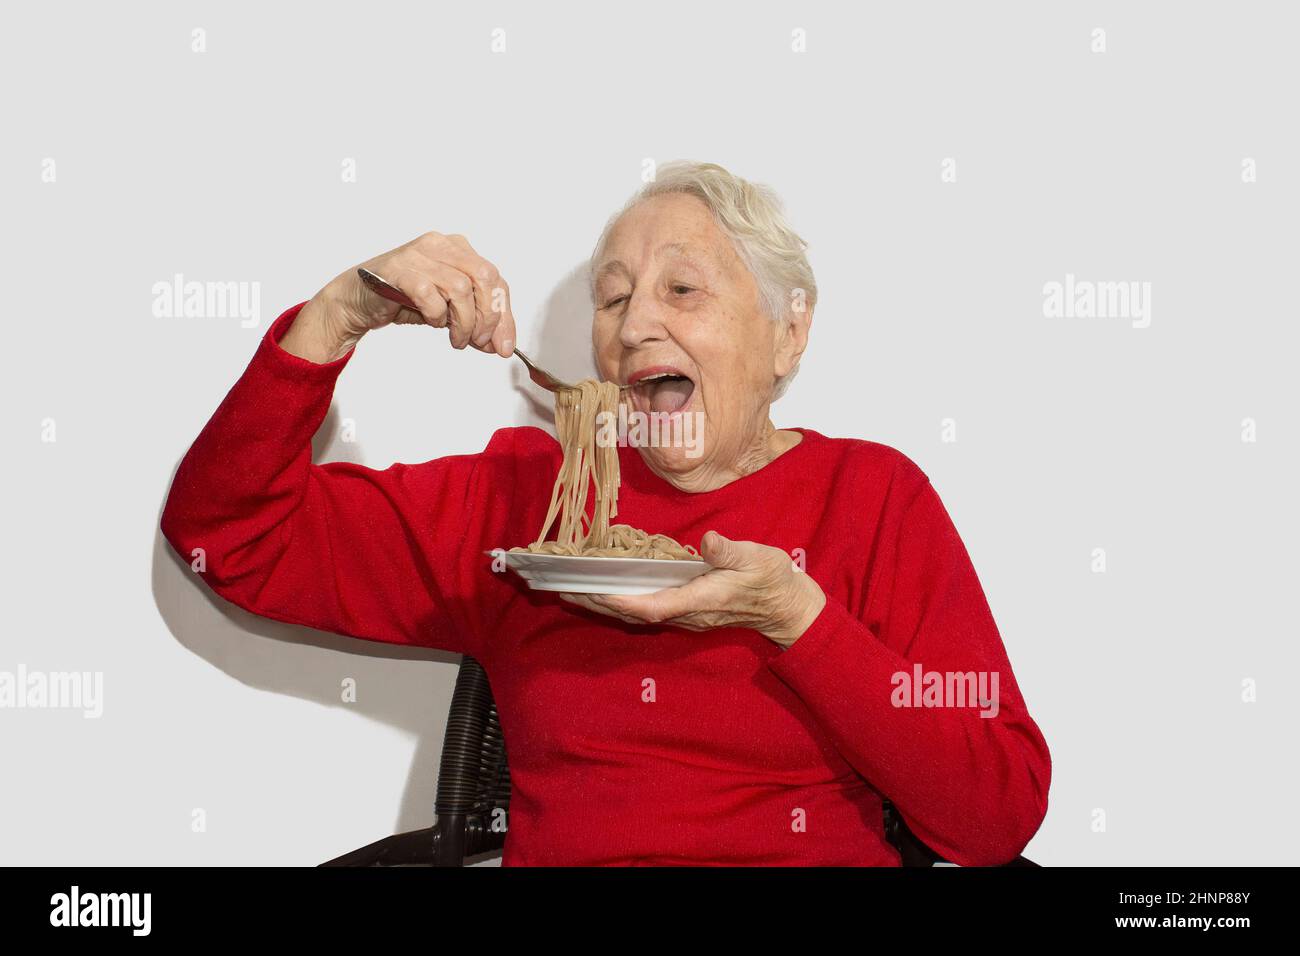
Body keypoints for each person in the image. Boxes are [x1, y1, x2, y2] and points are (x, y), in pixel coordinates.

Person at [161, 160, 1051, 866]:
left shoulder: (873, 497)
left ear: (788, 335)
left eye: (683, 291)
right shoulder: (532, 503)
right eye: (614, 297)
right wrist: (340, 313)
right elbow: (228, 537)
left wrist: (798, 621)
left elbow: (994, 813)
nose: (632, 329)